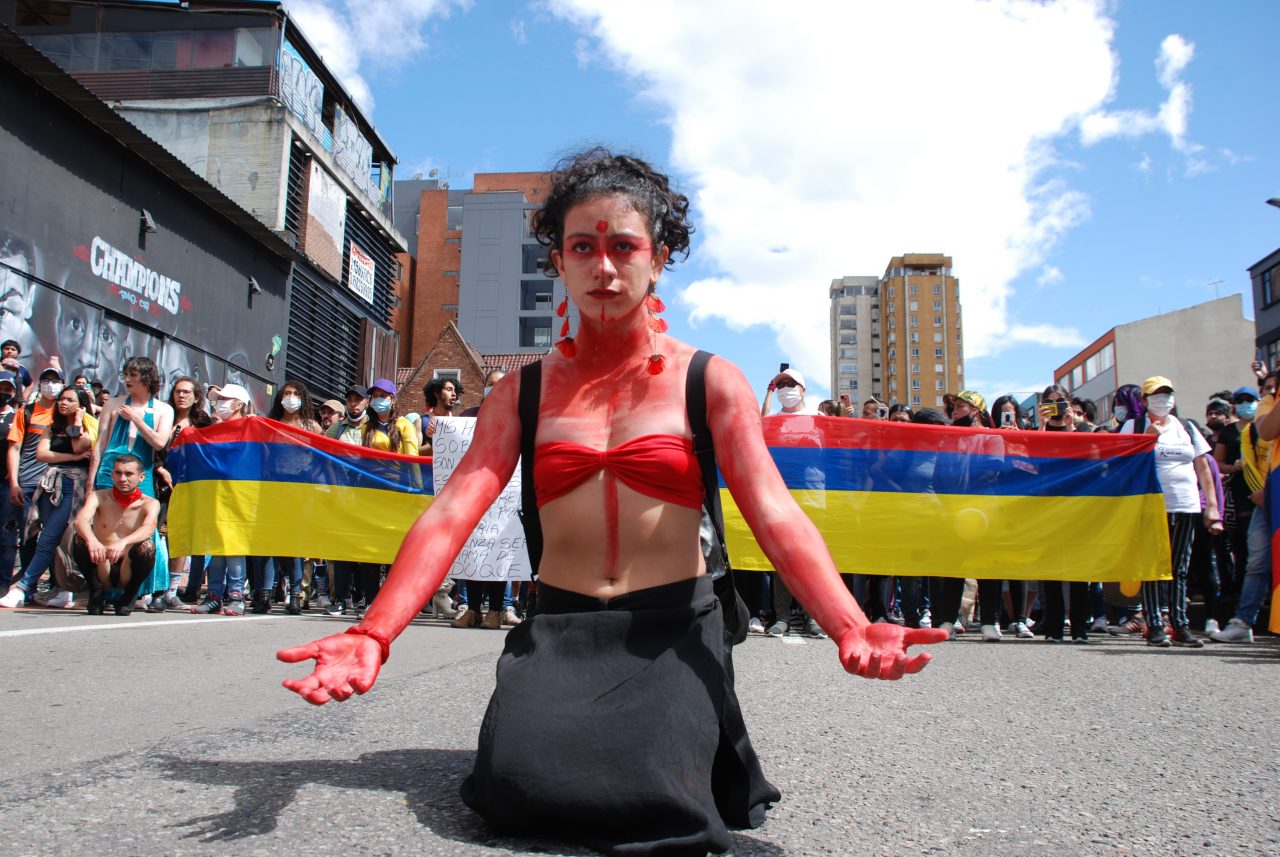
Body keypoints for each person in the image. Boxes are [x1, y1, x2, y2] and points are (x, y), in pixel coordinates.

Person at [278, 149, 946, 856]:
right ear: (559, 262)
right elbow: (452, 512)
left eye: (623, 247)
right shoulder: (521, 392)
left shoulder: (712, 380)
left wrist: (848, 623)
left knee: (656, 805)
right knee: (515, 792)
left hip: (673, 628)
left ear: (656, 260)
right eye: (582, 247)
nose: (603, 267)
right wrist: (373, 631)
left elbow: (774, 510)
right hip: (562, 625)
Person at [1120, 376, 1222, 647]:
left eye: (1166, 394)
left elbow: (1203, 467)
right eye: (1155, 395)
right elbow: (1121, 464)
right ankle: (1154, 625)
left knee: (1180, 568)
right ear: (1144, 400)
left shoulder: (1186, 427)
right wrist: (1145, 440)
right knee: (1154, 567)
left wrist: (1212, 507)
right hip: (1151, 506)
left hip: (1186, 505)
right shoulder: (1134, 426)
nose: (1161, 400)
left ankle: (1180, 624)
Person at [328, 378, 416, 618]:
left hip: (397, 493)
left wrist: (416, 490)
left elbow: (413, 459)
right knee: (370, 550)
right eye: (375, 395)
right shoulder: (368, 428)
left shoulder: (403, 425)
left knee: (393, 551)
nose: (378, 400)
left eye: (383, 396)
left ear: (393, 399)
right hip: (370, 494)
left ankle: (394, 602)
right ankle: (371, 601)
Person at [92, 356, 173, 610]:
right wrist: (90, 482)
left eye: (134, 375)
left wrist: (136, 419)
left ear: (147, 378)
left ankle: (136, 590)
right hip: (108, 471)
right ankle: (102, 586)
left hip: (142, 473)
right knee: (104, 526)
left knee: (141, 530)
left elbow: (160, 443)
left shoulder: (162, 409)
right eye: (126, 374)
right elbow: (99, 445)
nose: (128, 380)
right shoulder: (113, 404)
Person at [9, 386, 99, 609]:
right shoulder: (53, 426)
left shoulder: (90, 424)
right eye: (61, 399)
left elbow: (80, 443)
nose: (63, 403)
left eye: (69, 400)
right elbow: (42, 454)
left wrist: (78, 420)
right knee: (52, 539)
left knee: (50, 537)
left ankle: (24, 587)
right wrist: (73, 455)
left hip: (73, 485)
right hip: (50, 483)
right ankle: (63, 588)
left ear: (80, 404)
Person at [248, 379, 322, 614]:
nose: (290, 397)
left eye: (295, 393)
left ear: (303, 398)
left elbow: (325, 457)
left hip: (300, 492)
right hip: (273, 490)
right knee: (269, 544)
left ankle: (295, 596)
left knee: (294, 546)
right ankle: (264, 595)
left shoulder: (313, 427)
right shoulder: (271, 425)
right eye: (286, 393)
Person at [0, 366, 66, 607]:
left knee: (51, 535)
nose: (50, 384)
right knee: (28, 537)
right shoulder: (26, 412)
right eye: (46, 379)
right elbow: (14, 448)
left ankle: (57, 586)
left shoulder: (66, 413)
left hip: (55, 485)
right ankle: (28, 589)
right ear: (39, 384)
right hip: (26, 483)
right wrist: (14, 482)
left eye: (55, 380)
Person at [70, 453, 160, 615]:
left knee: (148, 546)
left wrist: (123, 542)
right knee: (79, 538)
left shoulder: (150, 503)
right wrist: (92, 541)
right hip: (101, 563)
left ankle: (130, 595)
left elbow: (149, 528)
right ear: (111, 475)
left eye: (129, 474)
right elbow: (80, 520)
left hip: (127, 567)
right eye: (118, 473)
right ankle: (96, 591)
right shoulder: (98, 496)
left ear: (141, 477)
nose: (123, 478)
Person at [191, 384, 252, 616]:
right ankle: (214, 595)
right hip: (215, 493)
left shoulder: (250, 428)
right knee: (216, 546)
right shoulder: (213, 431)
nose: (221, 403)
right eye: (219, 399)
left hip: (239, 494)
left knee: (234, 546)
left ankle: (237, 597)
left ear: (239, 405)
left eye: (226, 399)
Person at [155, 376, 214, 605]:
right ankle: (153, 587)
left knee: (178, 537)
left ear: (196, 397)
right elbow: (151, 447)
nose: (181, 395)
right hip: (160, 485)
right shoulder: (163, 416)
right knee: (156, 535)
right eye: (178, 391)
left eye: (187, 392)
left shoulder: (203, 423)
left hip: (188, 487)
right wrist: (160, 468)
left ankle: (171, 590)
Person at [0, 371, 21, 602]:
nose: (3, 393)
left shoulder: (16, 418)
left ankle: (3, 583)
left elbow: (17, 450)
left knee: (6, 536)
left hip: (6, 484)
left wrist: (14, 481)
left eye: (7, 389)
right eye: (0, 388)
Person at [420, 376, 462, 455]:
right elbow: (413, 453)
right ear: (437, 393)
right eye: (449, 389)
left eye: (455, 391)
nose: (454, 394)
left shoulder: (459, 424)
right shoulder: (421, 421)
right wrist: (433, 440)